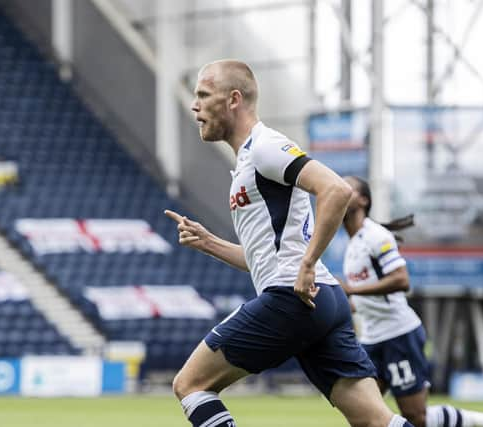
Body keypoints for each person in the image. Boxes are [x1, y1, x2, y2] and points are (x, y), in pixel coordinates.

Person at [164, 60, 414, 427]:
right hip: (323, 300)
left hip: (294, 298)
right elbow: (266, 259)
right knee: (377, 421)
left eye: (203, 94)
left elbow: (336, 190)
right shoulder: (250, 160)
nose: (194, 105)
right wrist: (209, 243)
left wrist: (308, 264)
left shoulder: (265, 146)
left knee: (190, 384)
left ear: (234, 99)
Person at [339, 176, 483, 427]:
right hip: (371, 339)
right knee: (364, 413)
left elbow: (402, 280)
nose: (339, 190)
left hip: (397, 335)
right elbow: (365, 297)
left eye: (347, 188)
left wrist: (351, 289)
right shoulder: (352, 245)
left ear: (363, 200)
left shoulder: (376, 236)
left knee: (416, 416)